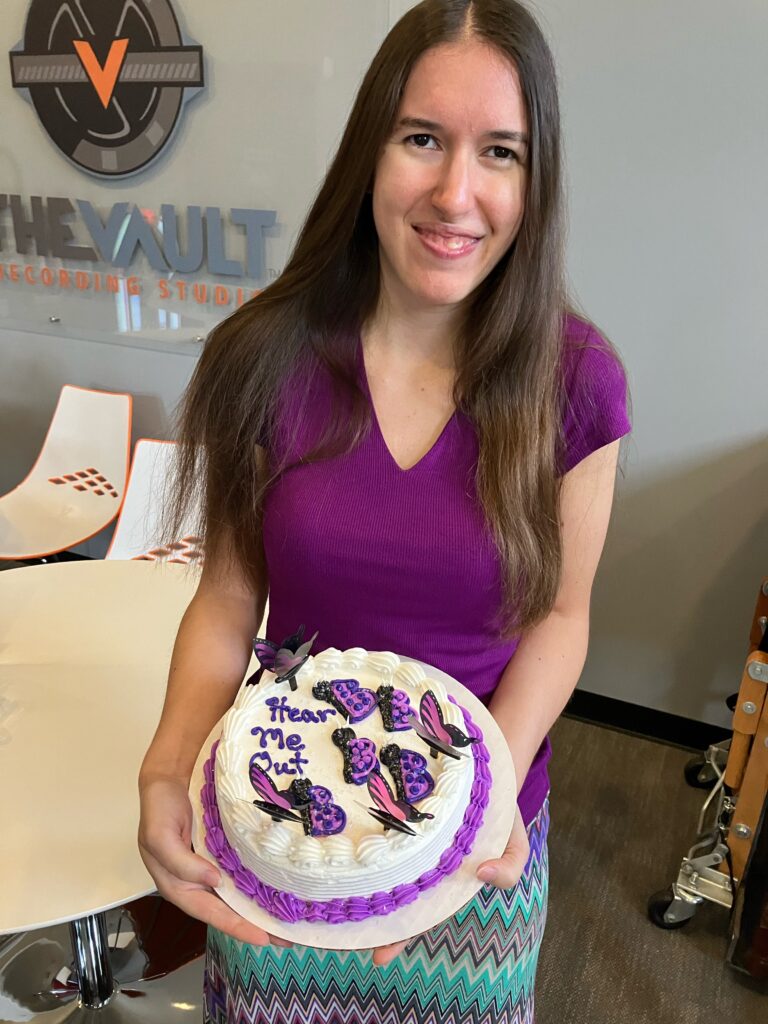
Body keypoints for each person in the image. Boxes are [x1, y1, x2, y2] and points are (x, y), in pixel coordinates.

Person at [138, 1, 631, 1021]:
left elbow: (563, 617)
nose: (457, 193)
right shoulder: (261, 360)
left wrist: (475, 814)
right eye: (422, 140)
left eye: (501, 151)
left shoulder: (578, 383)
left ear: (537, 183)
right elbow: (229, 600)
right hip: (288, 849)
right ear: (371, 149)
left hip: (482, 861)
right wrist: (163, 770)